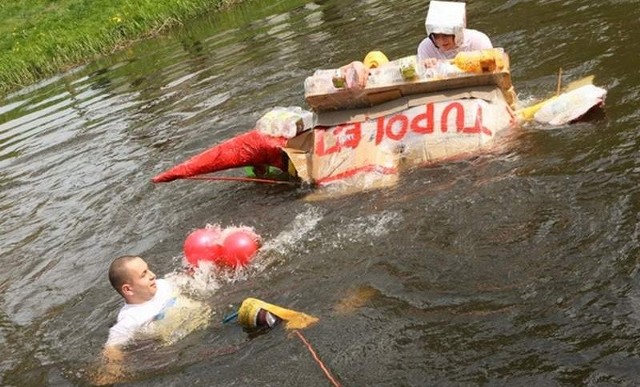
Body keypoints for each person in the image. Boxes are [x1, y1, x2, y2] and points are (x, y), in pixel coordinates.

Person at [417, 0, 493, 66]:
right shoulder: (426, 48)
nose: (442, 41)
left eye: (446, 35)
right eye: (436, 36)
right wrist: (426, 67)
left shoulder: (478, 41)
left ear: (457, 33)